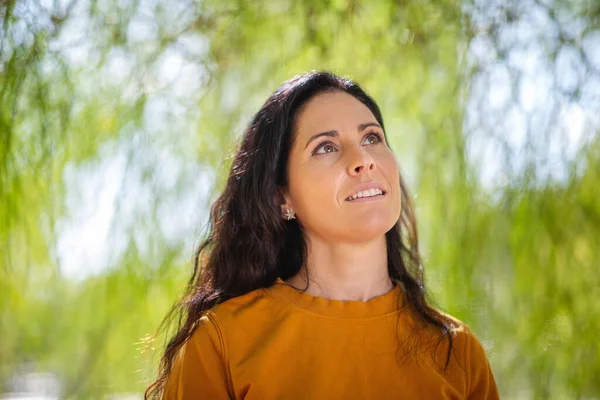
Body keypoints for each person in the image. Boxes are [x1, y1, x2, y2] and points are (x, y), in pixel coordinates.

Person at [145, 71, 500, 399]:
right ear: (281, 197)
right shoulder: (220, 343)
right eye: (326, 147)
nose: (363, 159)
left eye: (372, 137)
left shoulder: (459, 352)